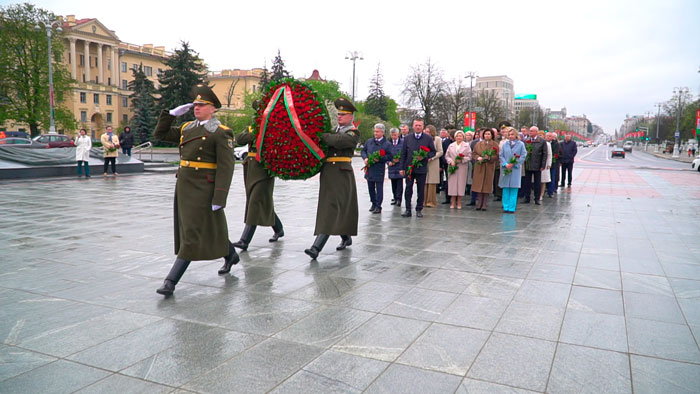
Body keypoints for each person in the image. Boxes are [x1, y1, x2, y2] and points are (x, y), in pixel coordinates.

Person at [153, 84, 239, 296]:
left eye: (202, 105)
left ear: (213, 109)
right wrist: (170, 115)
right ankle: (230, 254)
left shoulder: (220, 132)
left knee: (192, 233)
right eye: (195, 104)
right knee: (200, 227)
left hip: (204, 187)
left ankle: (170, 281)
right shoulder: (187, 128)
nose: (197, 108)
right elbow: (160, 134)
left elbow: (226, 167)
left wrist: (220, 196)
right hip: (185, 185)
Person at [304, 97, 360, 259]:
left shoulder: (353, 132)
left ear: (351, 117)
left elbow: (340, 142)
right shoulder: (333, 130)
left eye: (343, 114)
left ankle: (316, 248)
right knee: (335, 207)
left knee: (331, 208)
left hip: (342, 174)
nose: (340, 117)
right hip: (329, 173)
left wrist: (324, 136)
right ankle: (345, 236)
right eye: (339, 114)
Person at [231, 120, 285, 252]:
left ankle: (245, 240)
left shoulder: (274, 127)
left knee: (255, 202)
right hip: (250, 168)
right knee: (262, 202)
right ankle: (279, 229)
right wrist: (256, 132)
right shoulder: (252, 128)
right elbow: (239, 139)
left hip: (264, 169)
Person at [399, 118, 436, 217]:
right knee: (408, 189)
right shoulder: (407, 138)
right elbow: (403, 153)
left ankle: (419, 209)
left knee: (420, 189)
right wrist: (402, 168)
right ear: (413, 126)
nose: (418, 127)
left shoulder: (428, 138)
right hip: (409, 168)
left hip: (421, 168)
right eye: (416, 125)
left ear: (423, 126)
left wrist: (424, 156)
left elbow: (433, 152)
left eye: (420, 125)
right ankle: (407, 209)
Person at [361, 123, 392, 214]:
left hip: (379, 168)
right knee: (370, 187)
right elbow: (363, 151)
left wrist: (379, 158)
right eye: (375, 131)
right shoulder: (369, 141)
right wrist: (365, 158)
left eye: (377, 131)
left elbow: (390, 156)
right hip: (369, 168)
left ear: (383, 132)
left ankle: (378, 206)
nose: (375, 133)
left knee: (379, 188)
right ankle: (373, 203)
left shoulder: (387, 144)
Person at [499, 128, 527, 213]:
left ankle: (511, 208)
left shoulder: (521, 144)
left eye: (512, 134)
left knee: (514, 188)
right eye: (509, 134)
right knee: (506, 188)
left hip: (515, 169)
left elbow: (523, 156)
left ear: (516, 135)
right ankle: (505, 206)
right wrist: (505, 164)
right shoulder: (505, 144)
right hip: (506, 168)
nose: (511, 136)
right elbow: (501, 155)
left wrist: (514, 163)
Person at [472, 129, 499, 211]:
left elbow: (497, 156)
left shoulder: (495, 144)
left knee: (487, 185)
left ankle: (484, 204)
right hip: (479, 166)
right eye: (486, 134)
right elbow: (474, 153)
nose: (487, 135)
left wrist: (490, 158)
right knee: (479, 184)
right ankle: (479, 203)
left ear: (492, 135)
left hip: (489, 166)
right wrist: (477, 158)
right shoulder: (478, 144)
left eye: (489, 134)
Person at [445, 130, 472, 209]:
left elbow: (469, 157)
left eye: (460, 136)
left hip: (462, 167)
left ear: (463, 137)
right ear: (455, 137)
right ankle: (453, 202)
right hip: (452, 167)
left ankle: (459, 202)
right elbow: (447, 156)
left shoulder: (466, 146)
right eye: (457, 136)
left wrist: (462, 159)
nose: (459, 137)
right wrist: (451, 162)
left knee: (460, 184)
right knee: (452, 184)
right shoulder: (451, 145)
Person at [521, 126, 547, 205]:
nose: (530, 132)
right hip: (528, 164)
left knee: (537, 183)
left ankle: (537, 198)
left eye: (532, 131)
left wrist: (543, 165)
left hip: (537, 164)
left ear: (536, 132)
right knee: (527, 182)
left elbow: (545, 154)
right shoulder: (526, 140)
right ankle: (527, 197)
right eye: (530, 131)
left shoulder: (542, 141)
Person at [423, 125, 443, 208]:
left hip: (433, 162)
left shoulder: (437, 139)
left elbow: (440, 151)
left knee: (431, 182)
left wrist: (433, 157)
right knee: (424, 182)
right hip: (424, 162)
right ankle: (423, 201)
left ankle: (431, 201)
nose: (427, 133)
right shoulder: (423, 138)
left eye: (428, 132)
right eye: (426, 131)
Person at [387, 128, 404, 207]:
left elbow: (404, 153)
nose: (393, 137)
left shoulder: (403, 142)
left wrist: (399, 159)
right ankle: (395, 198)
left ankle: (399, 199)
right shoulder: (388, 143)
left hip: (399, 166)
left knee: (399, 183)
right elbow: (385, 155)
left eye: (395, 135)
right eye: (392, 135)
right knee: (393, 183)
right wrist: (388, 162)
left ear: (398, 135)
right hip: (392, 167)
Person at [440, 129, 453, 204]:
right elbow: (443, 153)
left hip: (457, 163)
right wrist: (445, 161)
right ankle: (447, 197)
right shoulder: (446, 142)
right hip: (447, 164)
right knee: (448, 180)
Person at [547, 132, 562, 197]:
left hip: (554, 163)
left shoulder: (556, 144)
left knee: (552, 177)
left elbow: (557, 153)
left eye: (551, 136)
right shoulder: (546, 143)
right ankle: (548, 189)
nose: (550, 138)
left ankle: (551, 190)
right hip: (546, 163)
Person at [539, 131, 553, 201]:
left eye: (541, 135)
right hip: (537, 164)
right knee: (537, 180)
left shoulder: (547, 144)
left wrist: (549, 164)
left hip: (545, 164)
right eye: (539, 135)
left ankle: (541, 194)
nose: (540, 136)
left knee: (543, 180)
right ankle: (538, 193)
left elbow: (550, 154)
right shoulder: (536, 143)